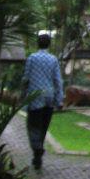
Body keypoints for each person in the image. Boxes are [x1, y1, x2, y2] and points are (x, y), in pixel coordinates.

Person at [21, 31, 64, 169]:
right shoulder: (53, 60)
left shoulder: (32, 58)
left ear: (37, 44)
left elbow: (26, 79)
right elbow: (58, 81)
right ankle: (38, 155)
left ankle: (37, 148)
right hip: (49, 98)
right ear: (49, 45)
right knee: (44, 126)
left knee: (33, 126)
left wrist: (22, 96)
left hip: (35, 97)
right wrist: (59, 100)